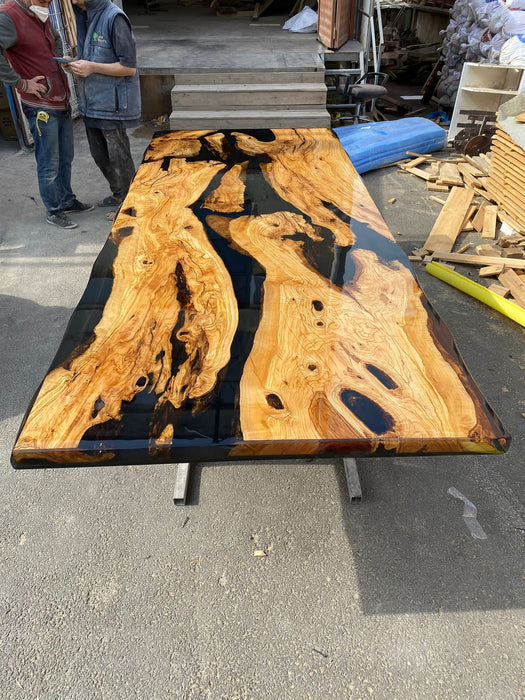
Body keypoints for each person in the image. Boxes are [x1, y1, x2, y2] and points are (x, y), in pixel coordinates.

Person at [0, 0, 93, 229]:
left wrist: (62, 60)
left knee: (65, 157)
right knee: (49, 161)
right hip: (40, 105)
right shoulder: (9, 16)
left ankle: (66, 200)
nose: (47, 3)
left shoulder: (39, 12)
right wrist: (20, 84)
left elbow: (55, 36)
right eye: (43, 0)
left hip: (59, 98)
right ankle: (54, 210)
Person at [69, 0, 141, 214]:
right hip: (91, 101)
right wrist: (75, 63)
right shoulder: (83, 15)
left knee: (118, 155)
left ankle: (131, 205)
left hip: (112, 103)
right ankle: (119, 193)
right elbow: (93, 57)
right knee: (99, 154)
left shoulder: (114, 18)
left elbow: (128, 68)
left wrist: (91, 67)